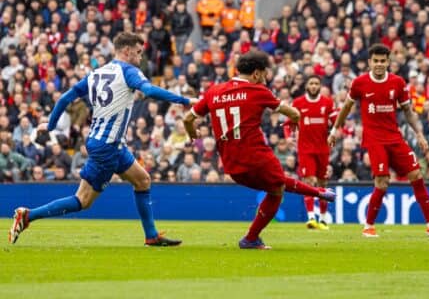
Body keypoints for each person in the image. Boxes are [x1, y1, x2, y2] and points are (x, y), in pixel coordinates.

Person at [9, 33, 196, 246]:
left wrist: (50, 125)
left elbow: (64, 98)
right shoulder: (129, 71)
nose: (140, 56)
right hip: (107, 146)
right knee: (83, 200)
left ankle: (151, 235)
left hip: (111, 143)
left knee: (143, 180)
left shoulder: (96, 73)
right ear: (126, 51)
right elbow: (149, 90)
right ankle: (28, 215)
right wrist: (185, 100)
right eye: (138, 52)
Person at [183, 50, 335, 249]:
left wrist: (192, 134)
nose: (265, 79)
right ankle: (253, 237)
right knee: (278, 186)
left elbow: (187, 119)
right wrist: (294, 121)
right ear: (256, 74)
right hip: (255, 155)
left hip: (230, 164)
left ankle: (255, 236)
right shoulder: (258, 91)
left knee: (276, 187)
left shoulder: (214, 91)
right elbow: (295, 113)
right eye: (264, 74)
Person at [328, 44, 429, 238]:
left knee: (416, 174)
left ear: (388, 62)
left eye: (382, 61)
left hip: (394, 136)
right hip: (374, 139)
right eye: (375, 61)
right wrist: (335, 130)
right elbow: (346, 108)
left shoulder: (398, 82)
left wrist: (419, 133)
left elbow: (408, 112)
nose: (379, 64)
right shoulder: (360, 83)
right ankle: (368, 226)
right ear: (369, 62)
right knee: (383, 181)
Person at [290, 75, 336, 230]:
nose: (314, 86)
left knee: (323, 184)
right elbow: (290, 122)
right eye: (311, 83)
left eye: (317, 83)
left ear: (320, 86)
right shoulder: (298, 103)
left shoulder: (327, 103)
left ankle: (323, 220)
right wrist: (289, 136)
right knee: (309, 182)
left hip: (323, 149)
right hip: (305, 150)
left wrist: (334, 132)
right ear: (306, 86)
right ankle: (311, 218)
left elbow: (336, 122)